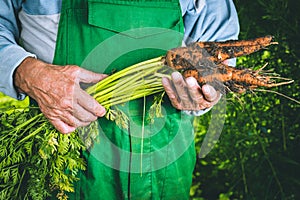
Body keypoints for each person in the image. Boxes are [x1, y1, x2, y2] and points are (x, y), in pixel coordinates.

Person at [0, 0, 239, 199]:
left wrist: (207, 89)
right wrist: (28, 73)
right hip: (59, 152)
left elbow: (218, 44)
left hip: (164, 161)